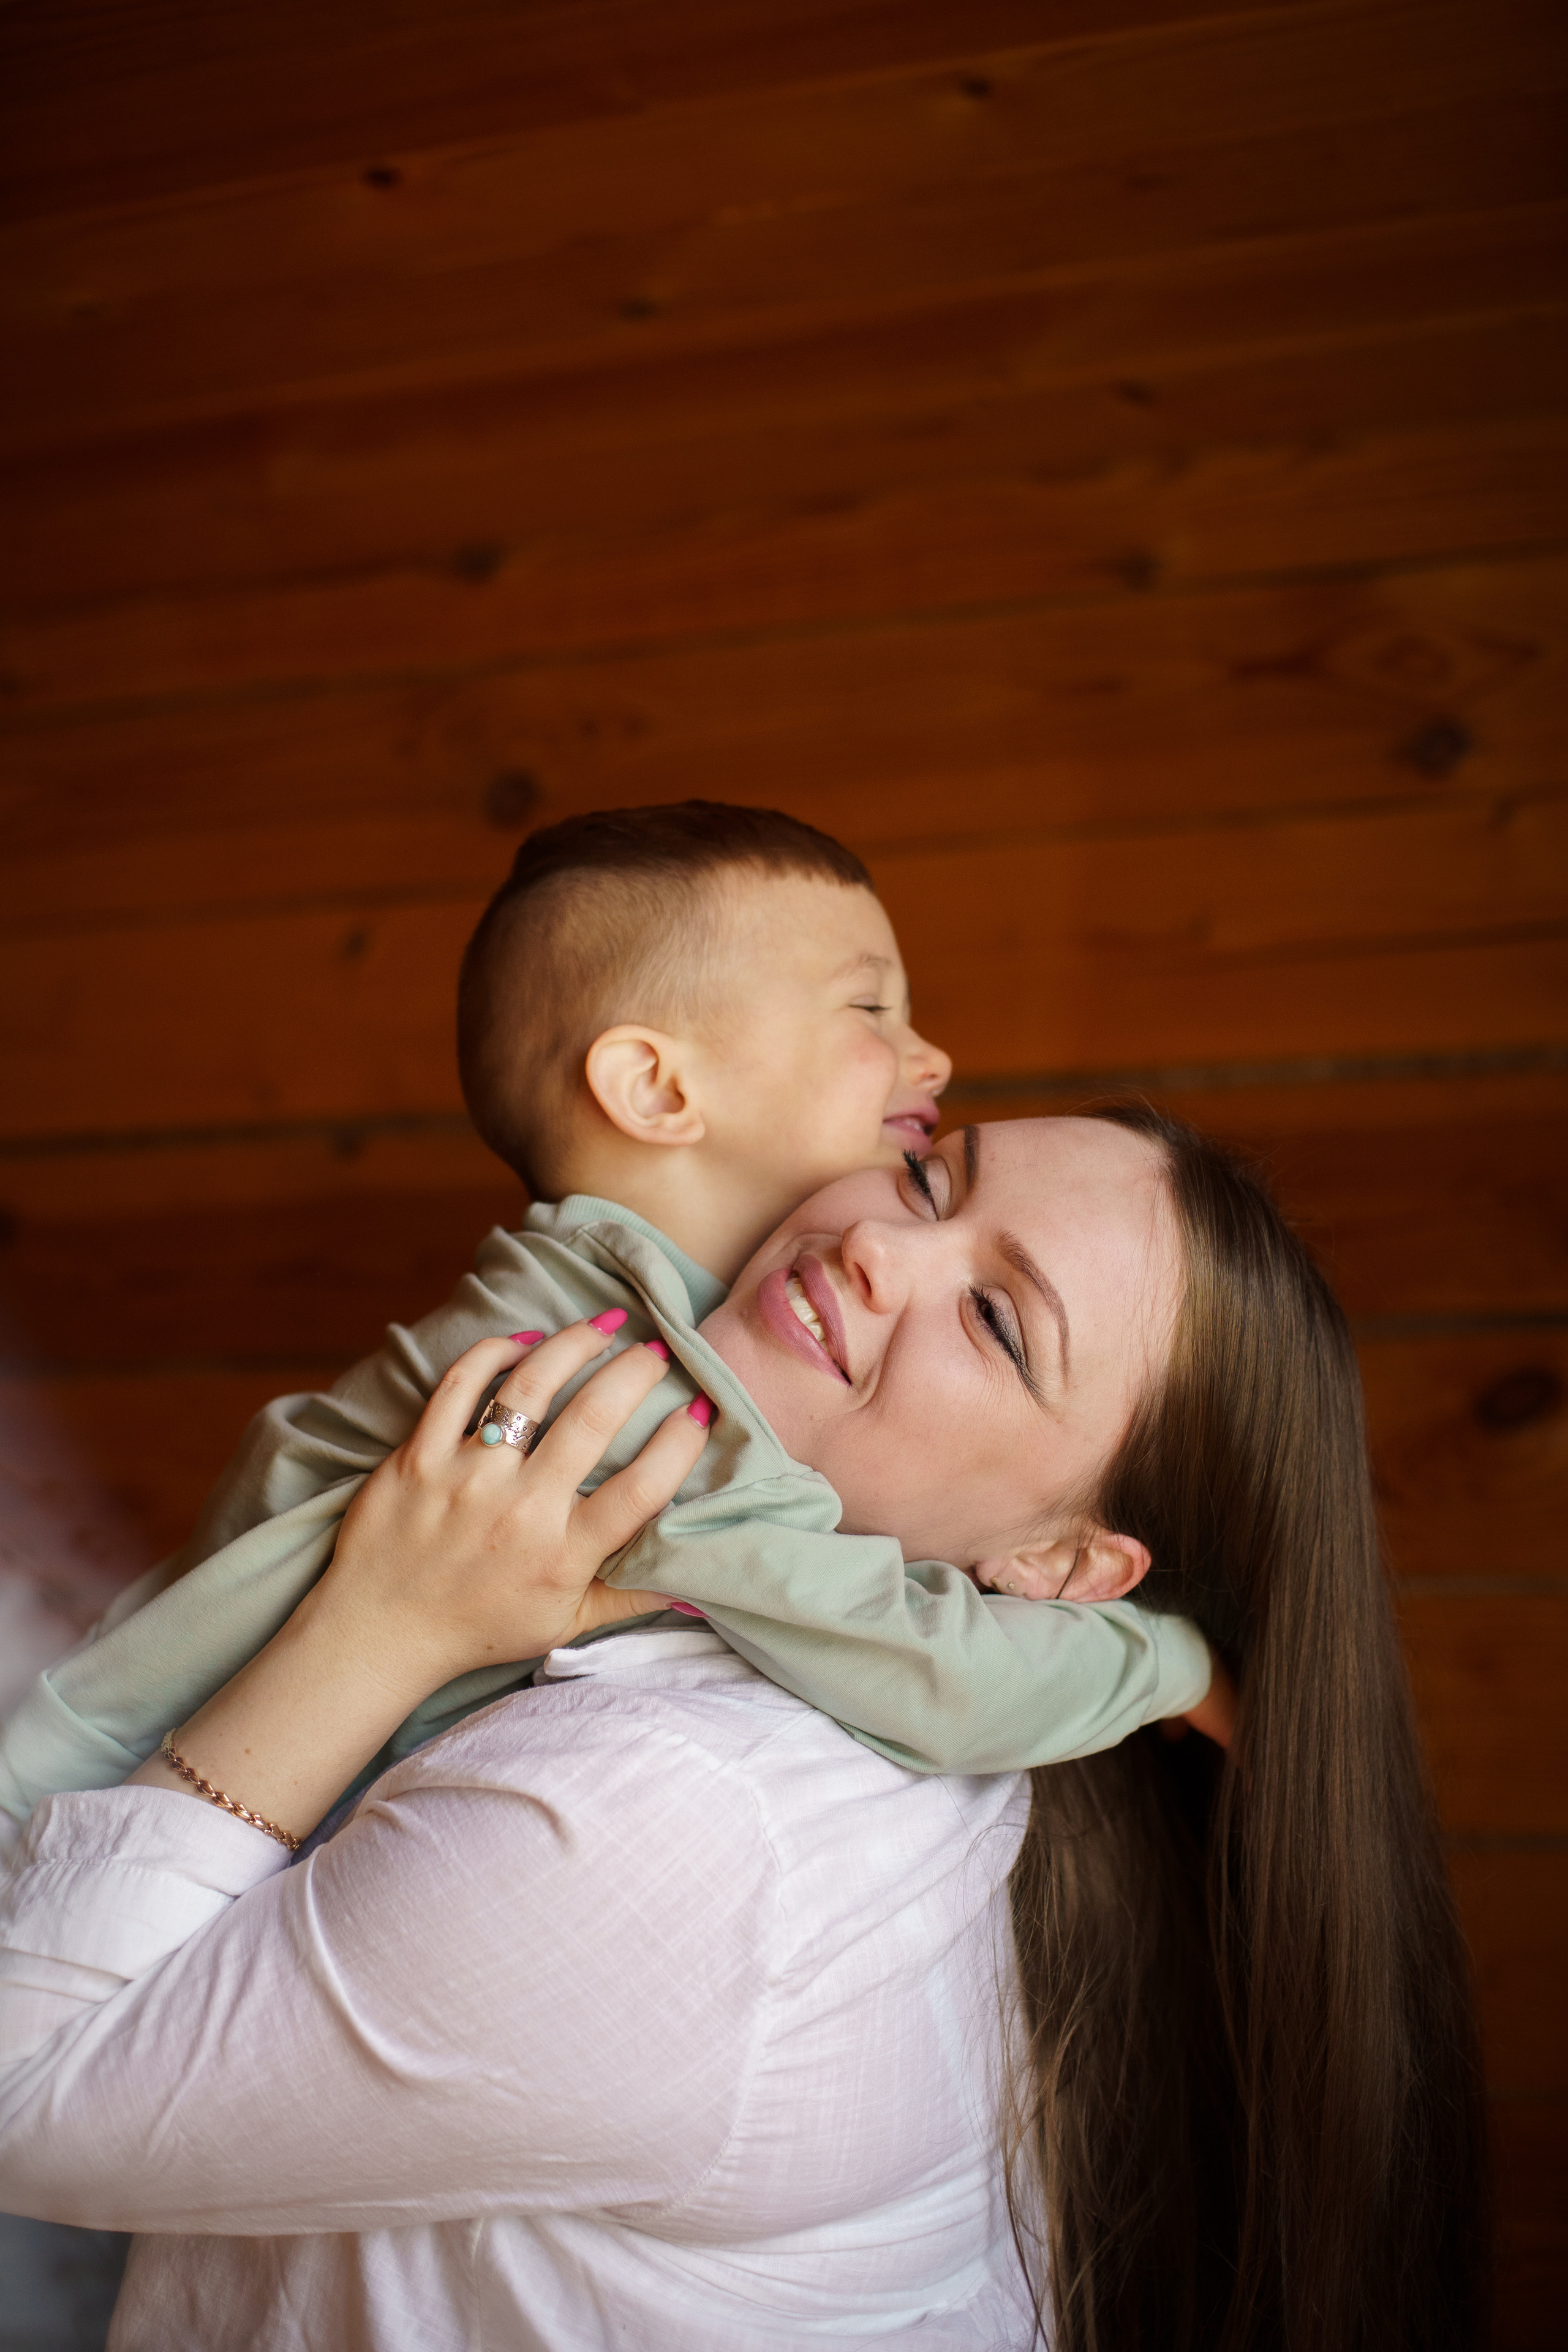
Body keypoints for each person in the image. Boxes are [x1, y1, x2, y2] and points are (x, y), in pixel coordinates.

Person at [0, 1110, 1487, 2352]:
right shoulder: (877, 1656)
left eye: (992, 1319)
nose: (878, 1245)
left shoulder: (693, 1824)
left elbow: (19, 2093)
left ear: (1055, 1569)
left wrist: (386, 1624)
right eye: (925, 1175)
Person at [0, 805, 1218, 1839]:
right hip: (74, 1828)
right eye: (869, 1010)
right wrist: (1175, 1665)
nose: (931, 1055)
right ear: (658, 1089)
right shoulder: (623, 1395)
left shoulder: (589, 1302)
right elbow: (918, 1664)